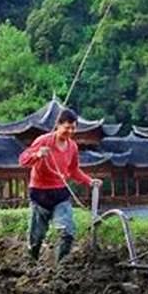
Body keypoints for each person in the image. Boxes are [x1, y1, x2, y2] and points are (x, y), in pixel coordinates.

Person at [18, 108, 102, 264]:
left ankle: (60, 267)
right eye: (67, 127)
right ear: (58, 125)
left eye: (73, 128)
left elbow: (74, 170)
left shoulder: (73, 147)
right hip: (40, 193)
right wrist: (37, 155)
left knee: (67, 232)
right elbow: (23, 160)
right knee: (36, 237)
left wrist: (89, 181)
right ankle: (31, 264)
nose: (70, 131)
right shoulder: (44, 141)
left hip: (60, 193)